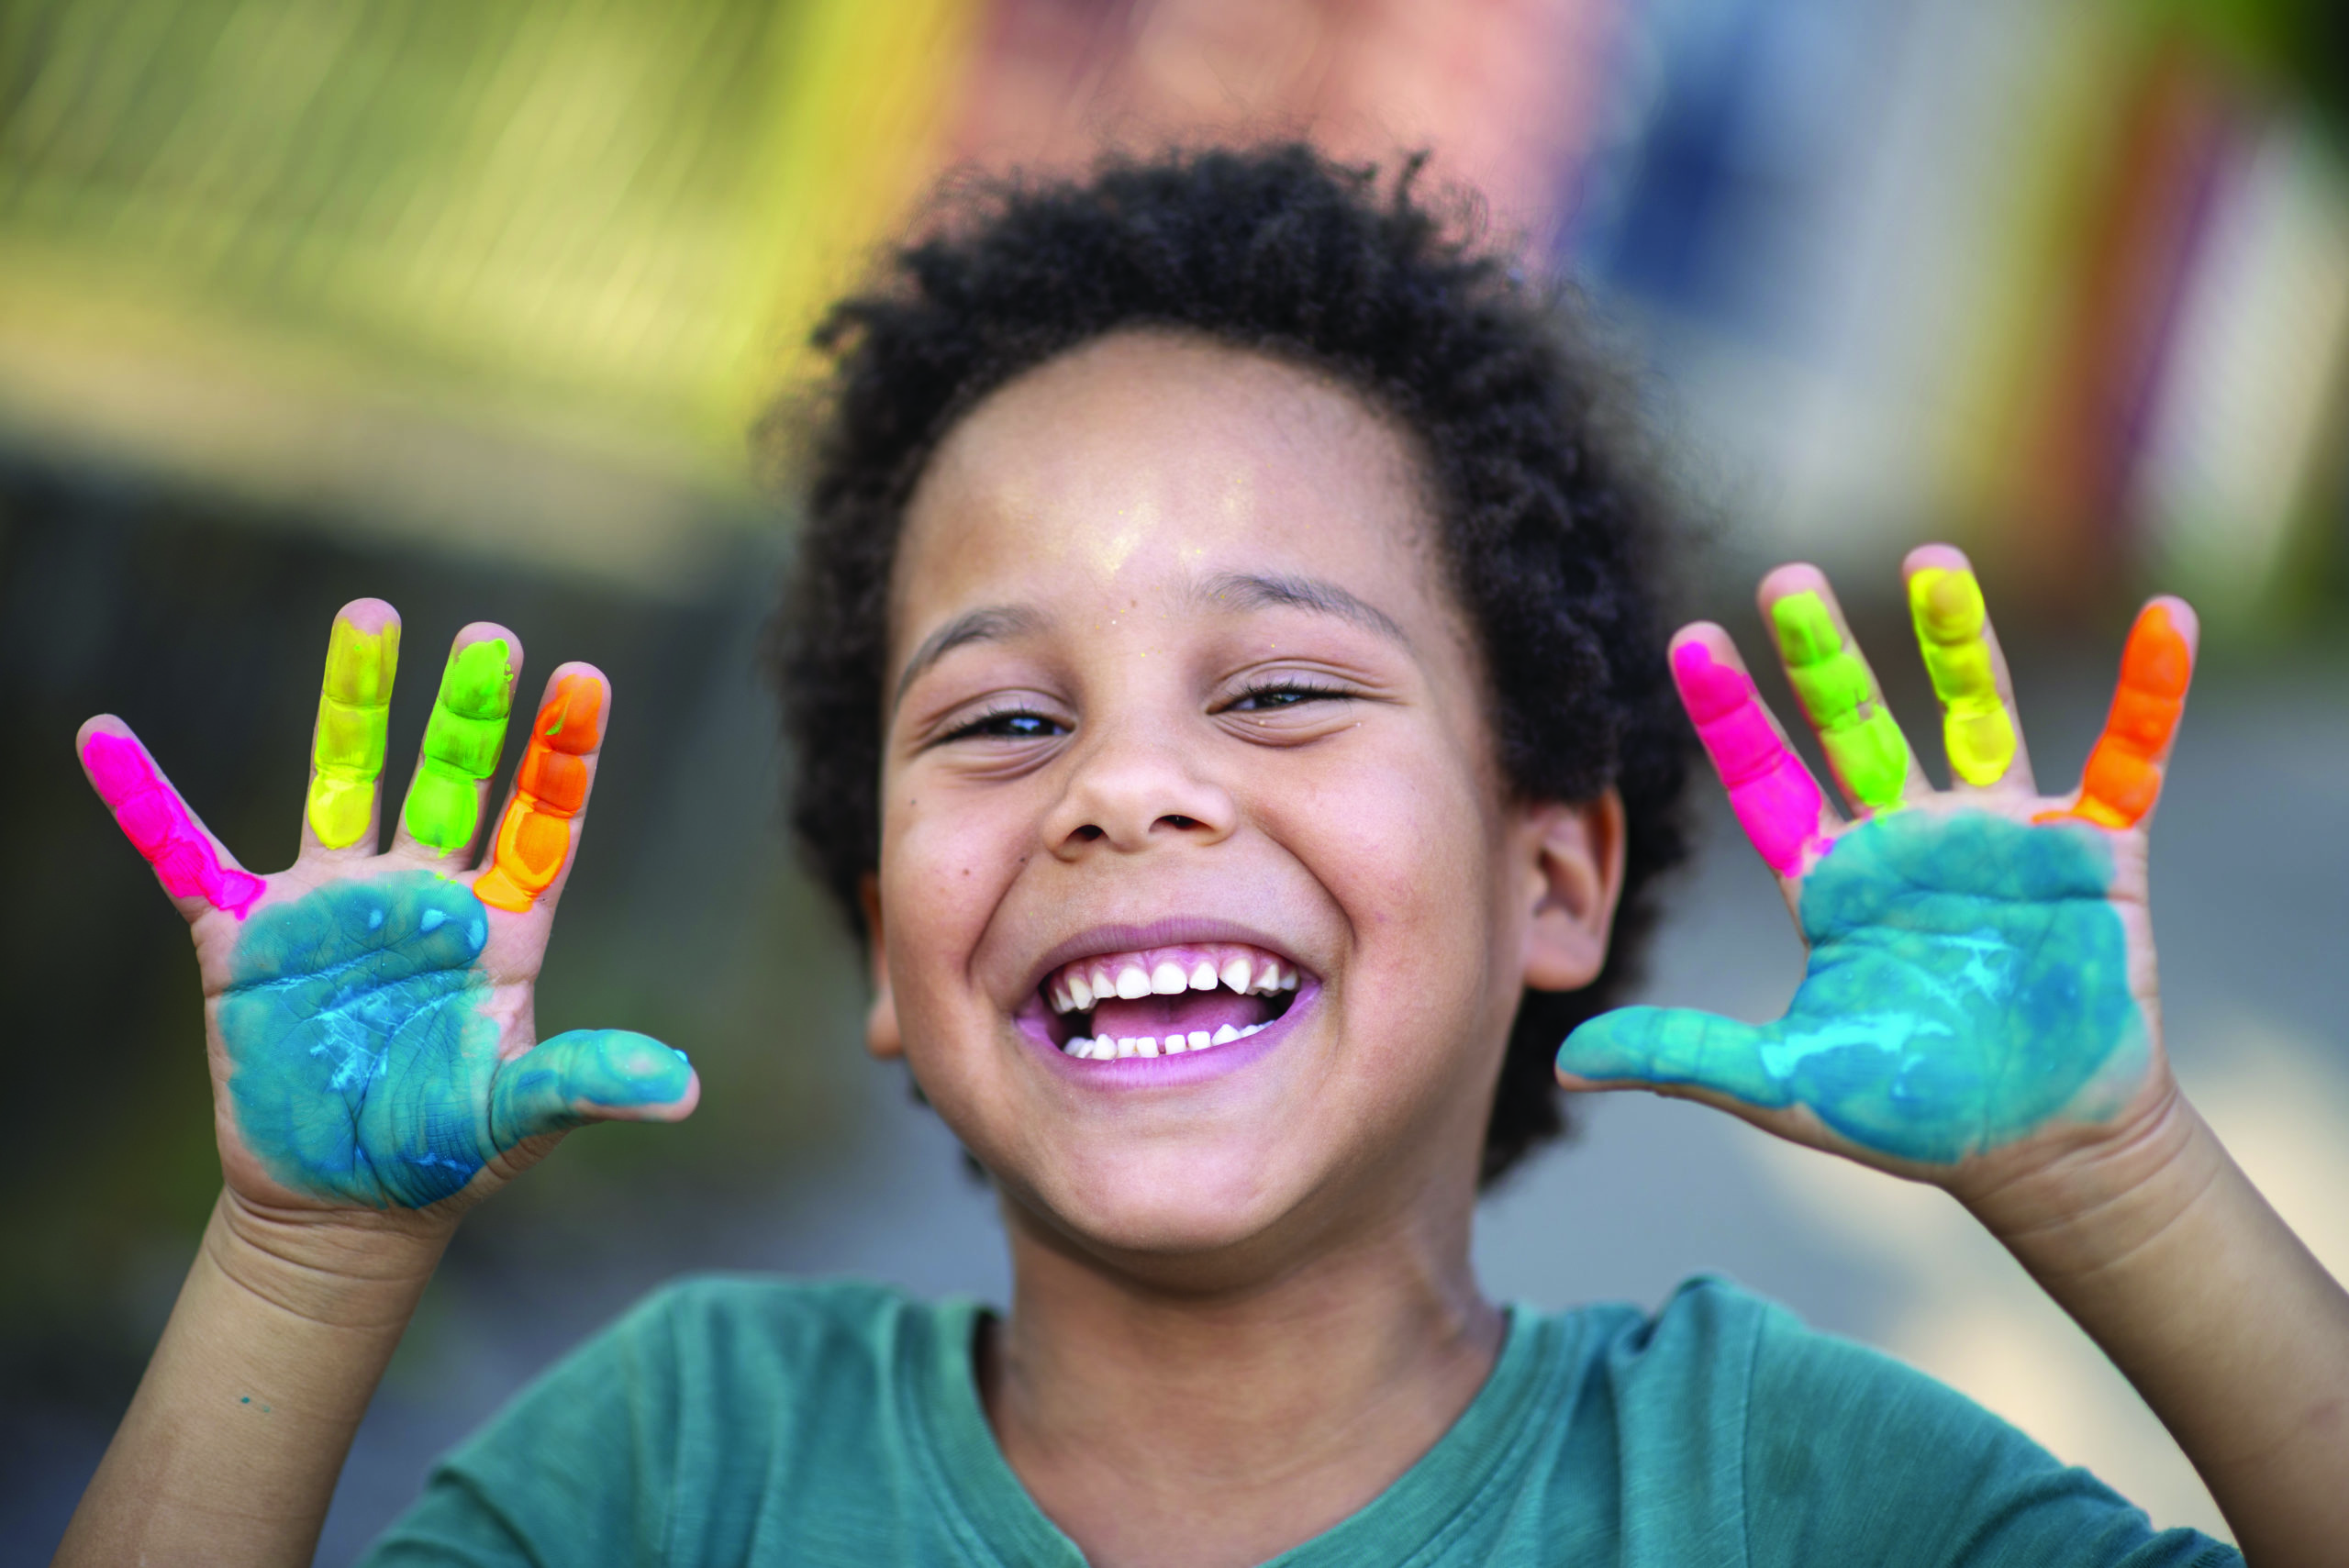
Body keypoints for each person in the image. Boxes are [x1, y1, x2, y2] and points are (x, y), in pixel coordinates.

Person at [52, 145, 2348, 1567]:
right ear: (884, 945)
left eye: (1274, 690)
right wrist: (298, 1257)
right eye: (1001, 718)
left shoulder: (1773, 1480)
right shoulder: (686, 1453)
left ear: (1552, 877)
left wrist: (2114, 1171)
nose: (1116, 790)